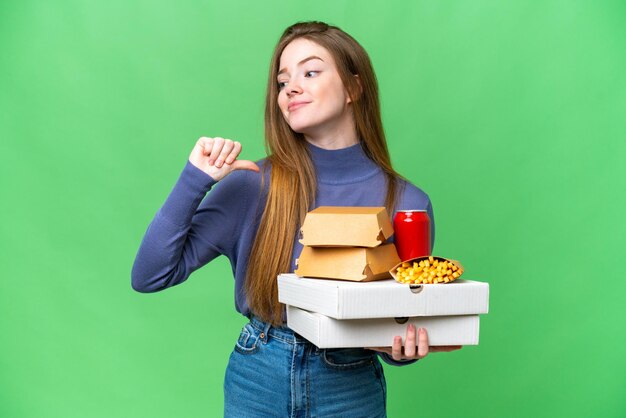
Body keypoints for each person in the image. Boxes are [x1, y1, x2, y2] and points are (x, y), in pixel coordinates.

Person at [132, 21, 460, 417]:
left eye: (310, 72)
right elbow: (149, 276)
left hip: (349, 382)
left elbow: (402, 315)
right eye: (282, 81)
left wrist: (403, 350)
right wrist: (193, 180)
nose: (291, 88)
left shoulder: (407, 204)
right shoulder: (251, 186)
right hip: (258, 376)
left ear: (354, 88)